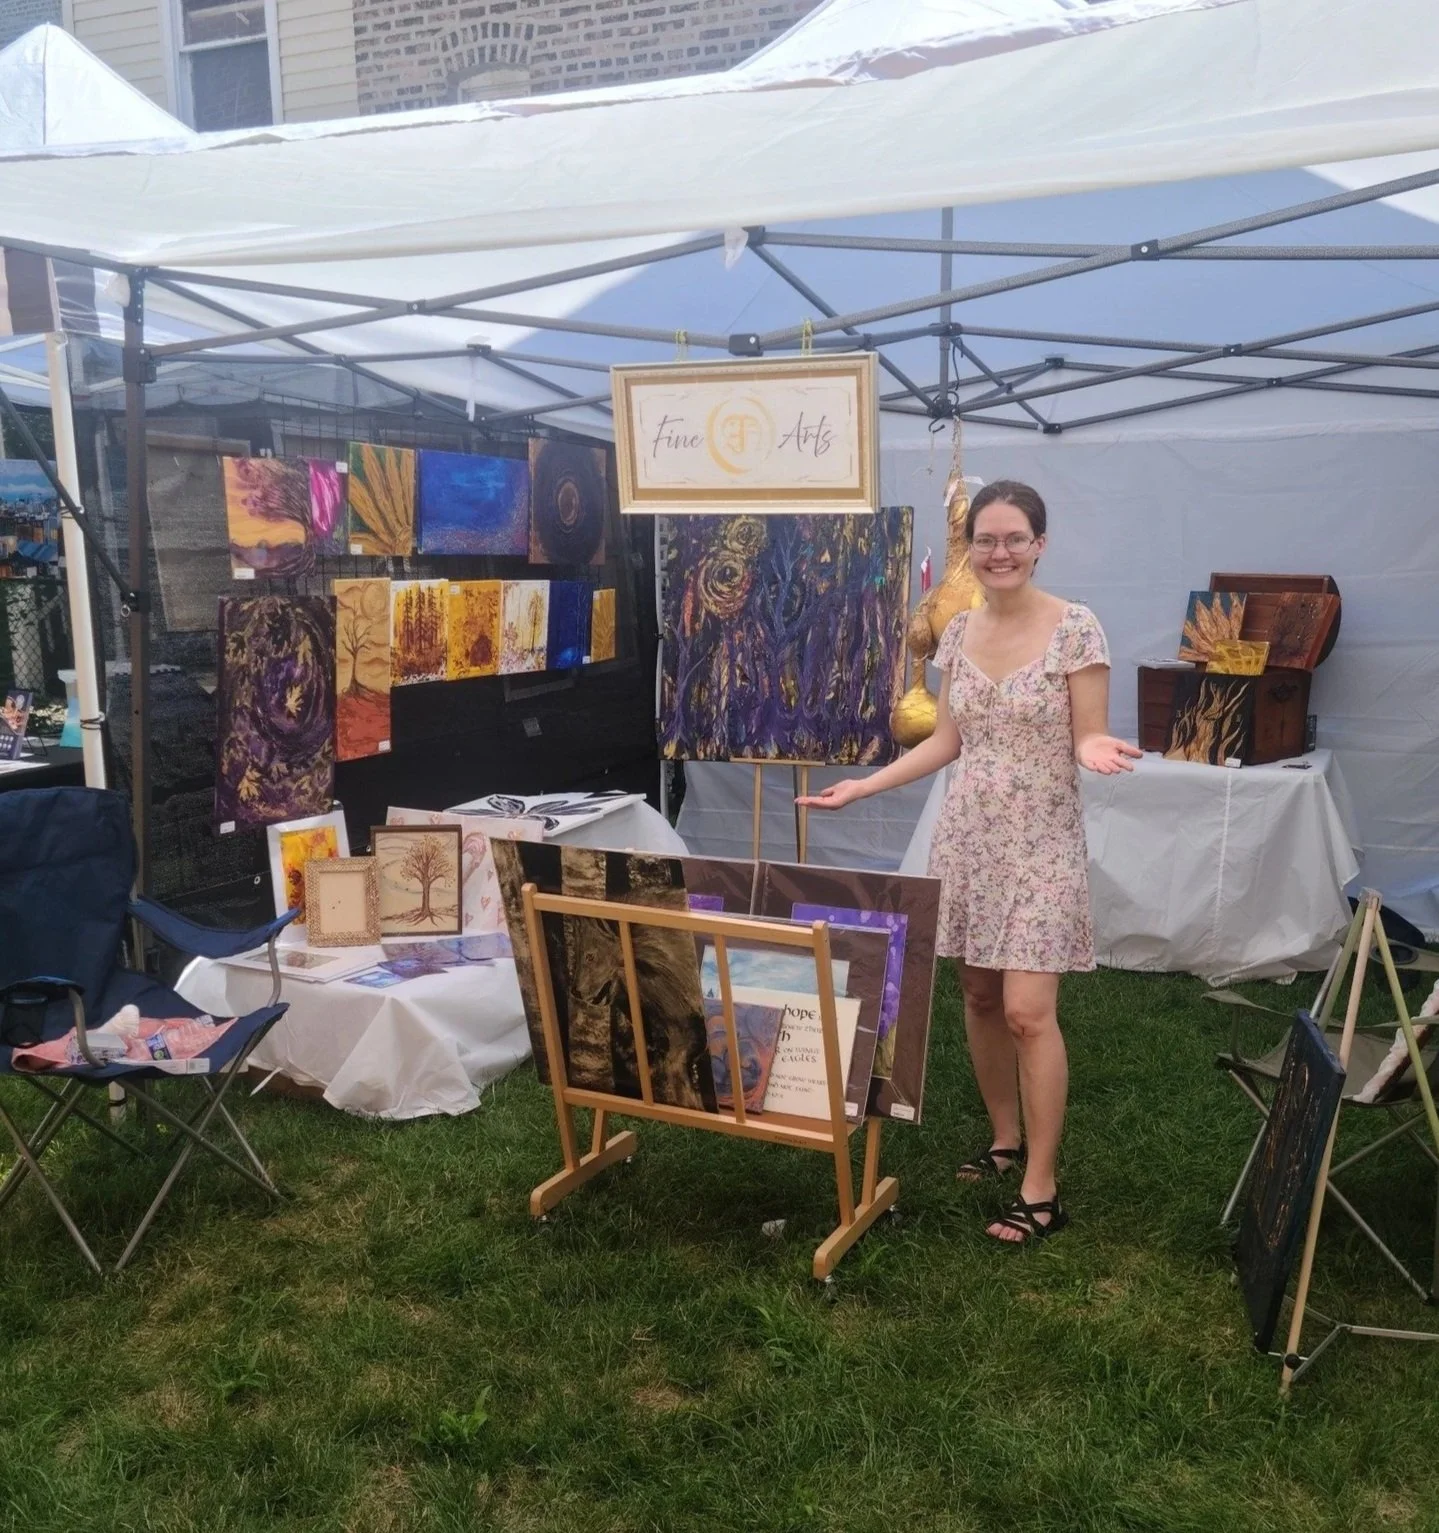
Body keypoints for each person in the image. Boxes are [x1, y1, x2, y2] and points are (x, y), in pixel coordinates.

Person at [798, 481, 1139, 1245]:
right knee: (980, 996)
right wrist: (863, 786)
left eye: (1015, 538)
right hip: (968, 840)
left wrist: (1093, 746)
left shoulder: (1075, 628)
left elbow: (1087, 731)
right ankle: (1003, 1139)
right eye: (986, 539)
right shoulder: (956, 632)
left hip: (1042, 844)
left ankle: (1040, 1187)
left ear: (1039, 545)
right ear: (971, 548)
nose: (999, 552)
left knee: (1027, 1011)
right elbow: (947, 740)